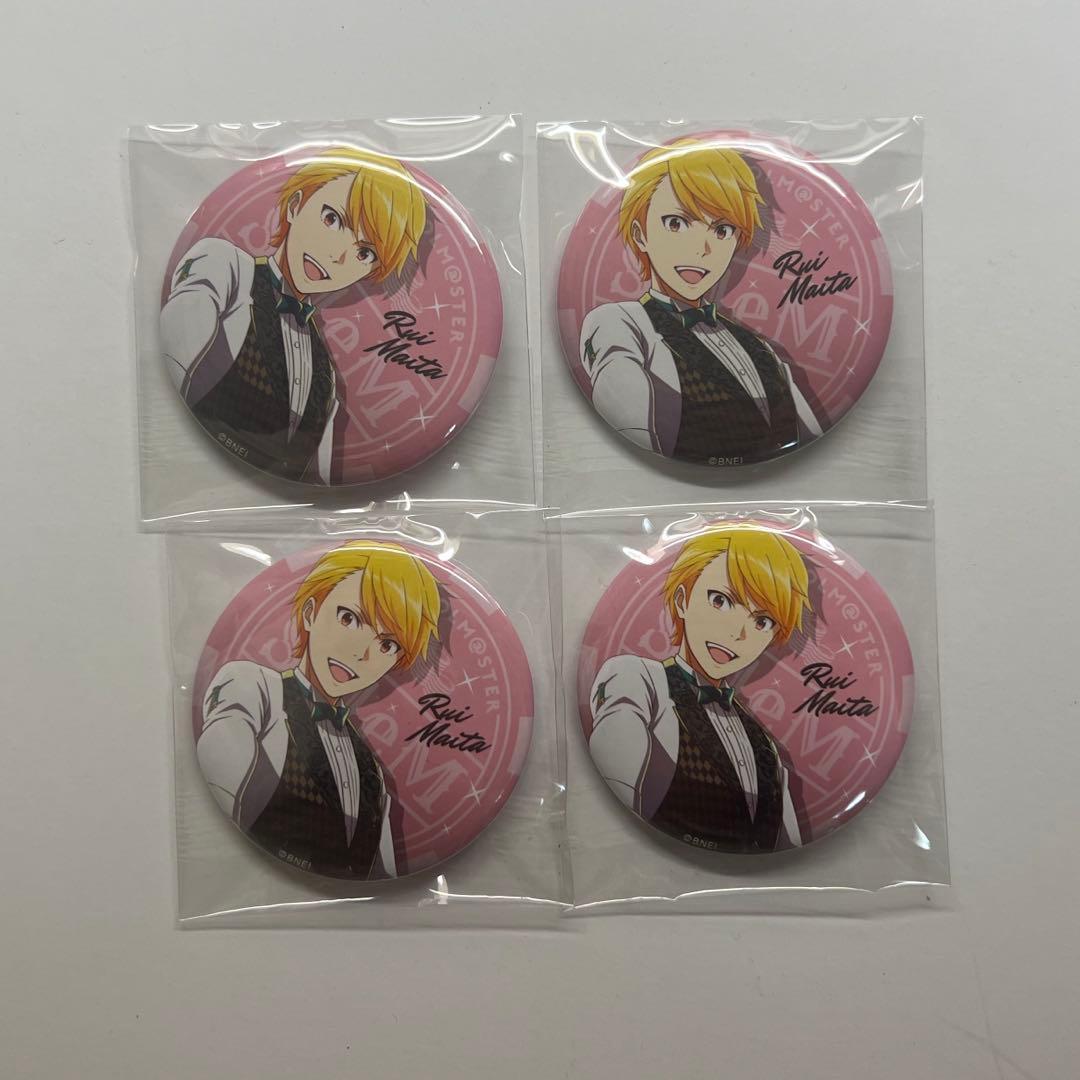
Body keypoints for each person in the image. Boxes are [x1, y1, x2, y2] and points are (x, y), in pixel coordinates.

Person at [161, 146, 427, 483]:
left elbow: (320, 478)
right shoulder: (227, 267)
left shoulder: (326, 376)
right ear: (295, 205)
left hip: (268, 495)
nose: (337, 255)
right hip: (189, 460)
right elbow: (175, 348)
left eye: (364, 253)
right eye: (332, 219)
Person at [197, 541, 441, 878]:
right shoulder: (256, 688)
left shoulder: (372, 772)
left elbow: (383, 874)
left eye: (387, 644)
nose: (360, 653)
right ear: (311, 613)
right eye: (349, 618)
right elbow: (219, 764)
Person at [580, 138, 822, 465]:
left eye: (722, 230)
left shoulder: (761, 348)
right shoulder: (622, 323)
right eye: (676, 223)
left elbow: (811, 435)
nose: (701, 249)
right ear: (640, 235)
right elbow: (628, 423)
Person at [588, 526, 809, 852]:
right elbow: (616, 769)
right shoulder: (639, 679)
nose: (737, 633)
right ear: (682, 601)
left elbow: (788, 842)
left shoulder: (765, 746)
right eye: (720, 600)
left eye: (761, 622)